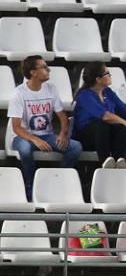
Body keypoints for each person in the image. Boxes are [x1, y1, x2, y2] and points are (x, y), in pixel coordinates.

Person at [9, 55, 82, 199]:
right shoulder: (19, 93)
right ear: (33, 72)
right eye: (43, 67)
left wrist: (62, 134)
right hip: (23, 136)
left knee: (75, 147)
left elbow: (63, 117)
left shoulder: (51, 89)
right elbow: (16, 128)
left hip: (47, 135)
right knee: (25, 149)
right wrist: (35, 140)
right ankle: (31, 185)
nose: (48, 70)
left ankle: (57, 183)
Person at [74, 63, 126, 169]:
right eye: (107, 73)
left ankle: (119, 160)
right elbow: (105, 116)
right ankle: (104, 161)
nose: (110, 75)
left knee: (119, 127)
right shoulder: (84, 95)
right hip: (88, 138)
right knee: (101, 125)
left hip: (107, 136)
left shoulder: (107, 92)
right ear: (98, 79)